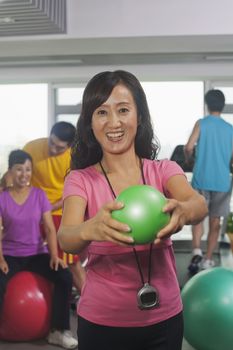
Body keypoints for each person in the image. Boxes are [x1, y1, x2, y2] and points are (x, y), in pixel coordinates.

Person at [57, 70, 207, 350]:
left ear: (140, 116)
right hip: (102, 321)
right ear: (90, 122)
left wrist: (182, 212)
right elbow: (66, 237)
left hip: (165, 317)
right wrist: (91, 228)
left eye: (123, 110)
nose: (114, 122)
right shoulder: (80, 179)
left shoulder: (162, 170)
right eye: (102, 112)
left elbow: (197, 204)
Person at [0, 150, 78, 349]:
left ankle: (58, 331)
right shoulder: (2, 198)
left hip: (36, 254)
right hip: (10, 254)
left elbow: (50, 228)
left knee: (64, 276)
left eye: (28, 170)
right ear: (10, 171)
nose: (24, 174)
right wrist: (0, 260)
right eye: (19, 170)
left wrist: (54, 255)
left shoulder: (38, 195)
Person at [23, 121, 86, 292]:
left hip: (58, 211)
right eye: (51, 143)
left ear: (69, 146)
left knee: (71, 264)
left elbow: (71, 195)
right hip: (32, 211)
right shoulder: (31, 148)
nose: (52, 149)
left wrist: (47, 208)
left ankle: (92, 306)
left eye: (59, 148)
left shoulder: (74, 159)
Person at [184, 89, 233, 274]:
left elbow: (189, 147)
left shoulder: (202, 123)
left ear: (207, 104)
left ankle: (196, 251)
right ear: (222, 105)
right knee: (215, 222)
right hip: (222, 182)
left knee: (198, 217)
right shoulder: (230, 129)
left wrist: (189, 159)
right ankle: (208, 259)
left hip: (201, 179)